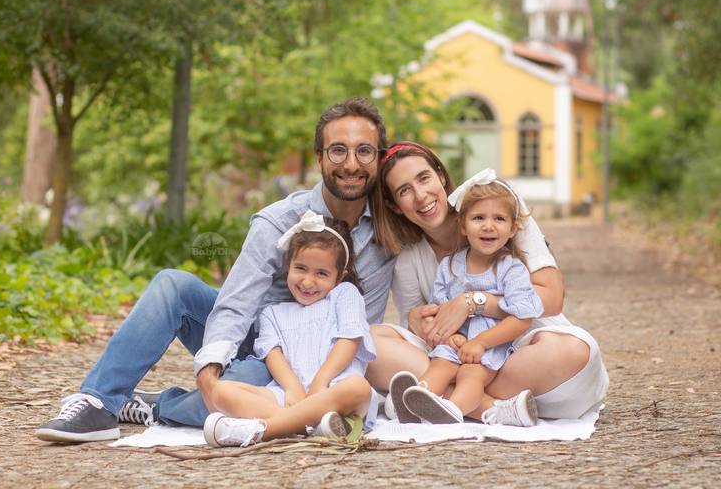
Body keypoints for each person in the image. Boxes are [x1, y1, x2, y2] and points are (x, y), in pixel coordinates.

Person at [36, 97, 394, 443]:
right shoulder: (278, 221)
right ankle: (99, 401)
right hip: (260, 343)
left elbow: (362, 326)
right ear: (319, 158)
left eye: (364, 150)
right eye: (338, 150)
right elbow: (234, 304)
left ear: (377, 159)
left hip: (313, 360)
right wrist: (208, 374)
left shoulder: (386, 233)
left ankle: (159, 405)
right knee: (173, 285)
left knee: (243, 383)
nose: (351, 163)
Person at [367, 142, 609, 426]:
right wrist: (421, 322)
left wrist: (472, 304)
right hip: (454, 356)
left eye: (424, 178)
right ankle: (491, 408)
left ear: (441, 177)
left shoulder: (496, 206)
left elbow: (552, 297)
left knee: (575, 349)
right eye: (404, 190)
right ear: (395, 206)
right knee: (365, 342)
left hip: (520, 355)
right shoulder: (409, 257)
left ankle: (441, 398)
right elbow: (423, 331)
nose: (421, 196)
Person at [204, 212, 374, 447]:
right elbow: (272, 353)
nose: (307, 281)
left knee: (359, 388)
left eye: (321, 273)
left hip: (335, 389)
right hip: (287, 396)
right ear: (288, 266)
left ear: (338, 277)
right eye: (301, 268)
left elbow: (349, 339)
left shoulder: (344, 295)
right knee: (222, 392)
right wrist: (293, 387)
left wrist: (320, 382)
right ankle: (312, 427)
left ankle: (264, 429)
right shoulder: (273, 313)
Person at [389, 169, 544, 426]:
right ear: (463, 225)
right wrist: (450, 337)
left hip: (489, 348)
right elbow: (439, 311)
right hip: (454, 342)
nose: (488, 226)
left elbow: (522, 318)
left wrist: (481, 343)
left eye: (499, 219)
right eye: (478, 217)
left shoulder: (510, 268)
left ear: (512, 228)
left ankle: (453, 409)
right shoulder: (450, 266)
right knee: (438, 365)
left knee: (470, 376)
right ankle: (415, 398)